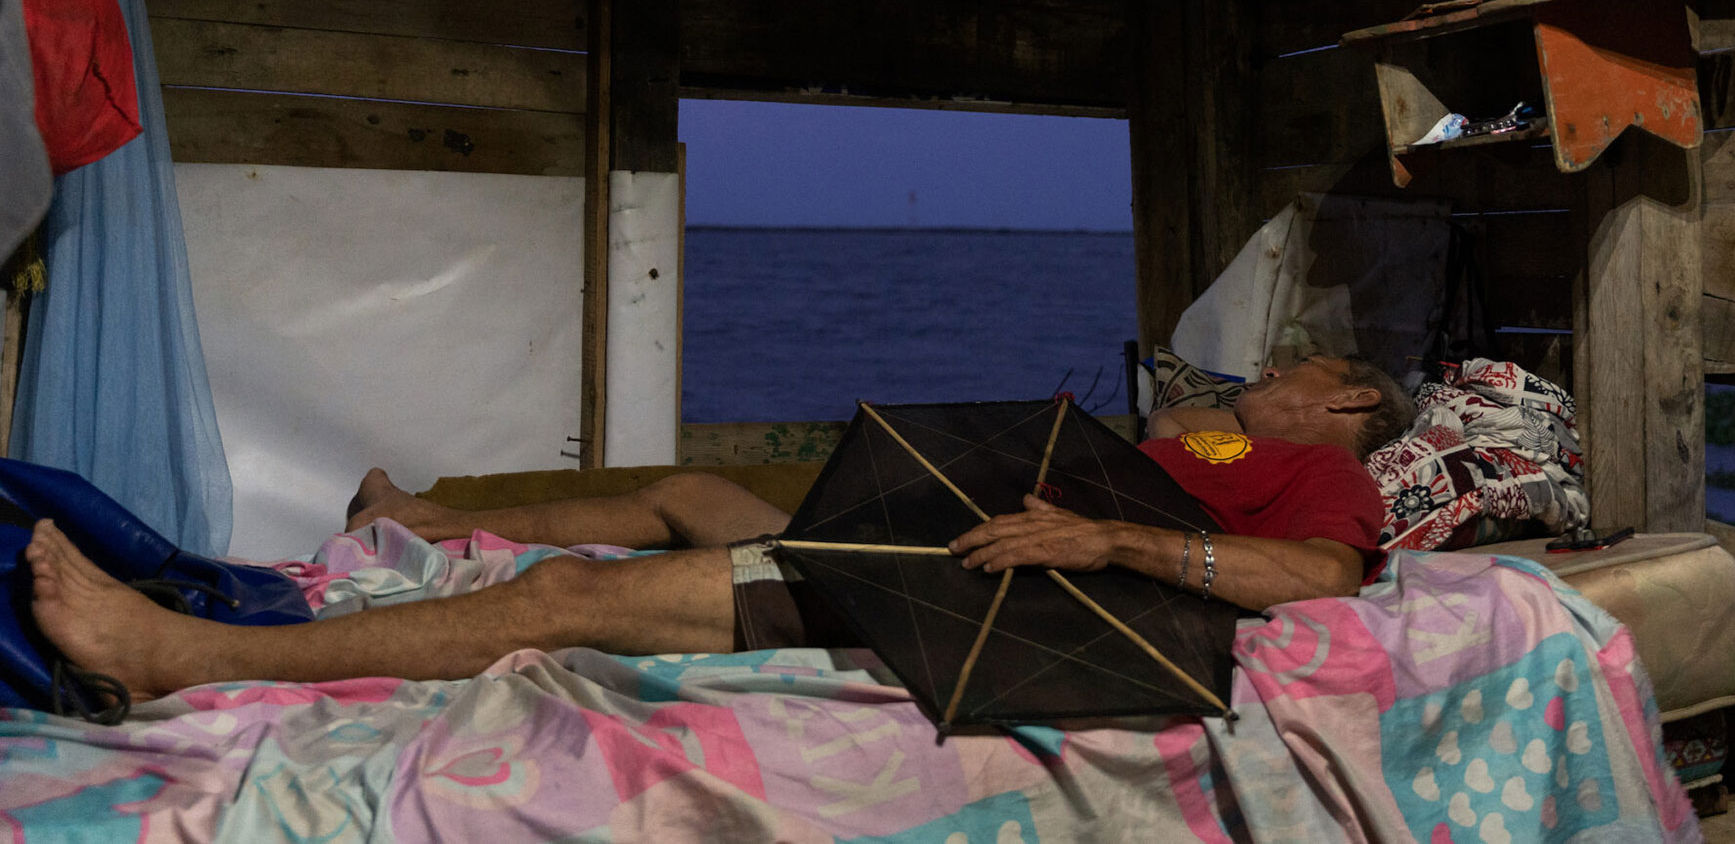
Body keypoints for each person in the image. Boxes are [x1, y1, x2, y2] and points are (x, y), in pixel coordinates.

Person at [22, 355, 1413, 704]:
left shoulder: (1320, 471)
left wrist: (1116, 546)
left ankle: (186, 656)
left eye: (1294, 366)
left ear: (1345, 398)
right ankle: (430, 519)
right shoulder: (1213, 442)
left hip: (980, 586)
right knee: (688, 489)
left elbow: (1320, 574)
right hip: (953, 524)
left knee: (567, 591)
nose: (1263, 374)